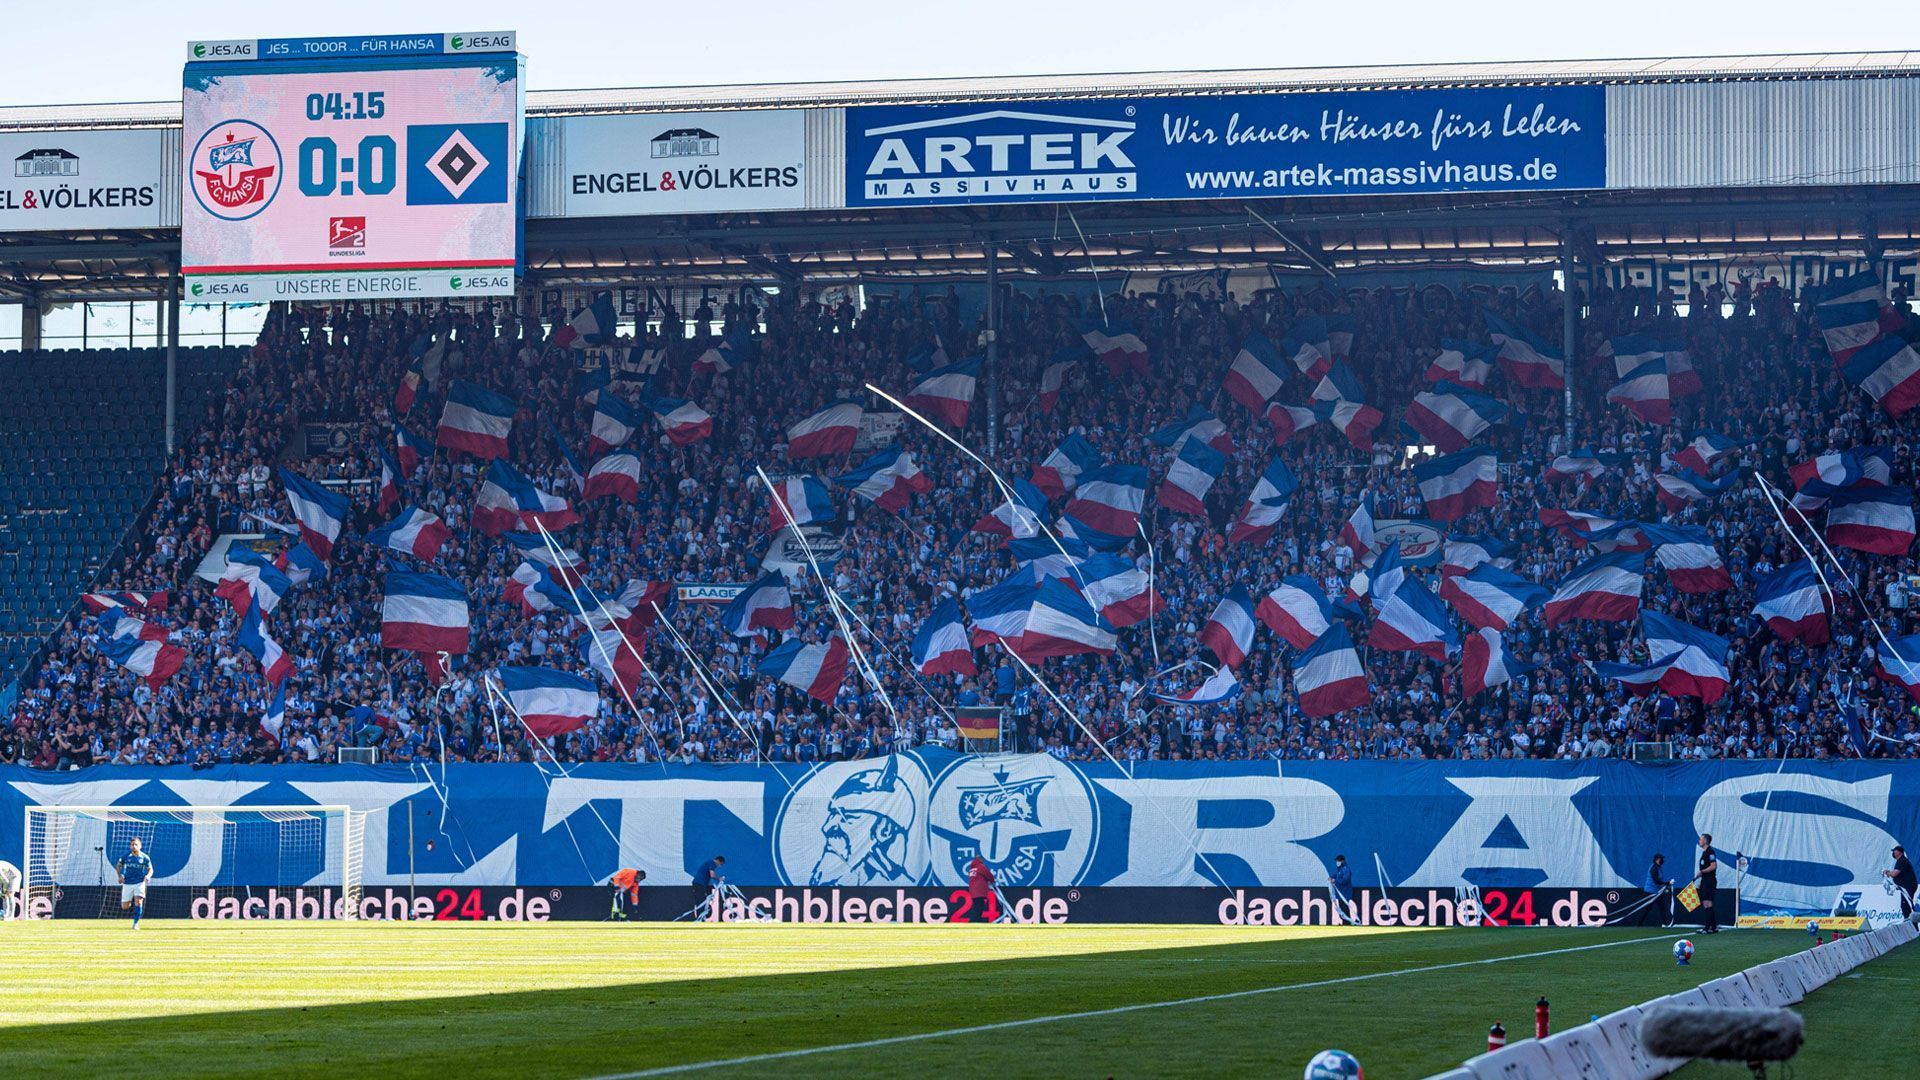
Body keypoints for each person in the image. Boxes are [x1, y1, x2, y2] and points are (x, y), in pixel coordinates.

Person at [118, 836, 152, 929]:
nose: (134, 846)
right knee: (125, 906)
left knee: (139, 901)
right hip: (128, 883)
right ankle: (130, 902)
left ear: (140, 846)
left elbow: (150, 869)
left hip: (139, 882)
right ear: (130, 846)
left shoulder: (145, 857)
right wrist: (120, 876)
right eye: (132, 844)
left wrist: (148, 876)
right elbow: (118, 866)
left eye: (136, 844)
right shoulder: (126, 856)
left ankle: (135, 923)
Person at [1642, 853, 1675, 927]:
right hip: (1650, 891)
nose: (1662, 860)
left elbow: (1659, 880)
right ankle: (1639, 923)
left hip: (1657, 891)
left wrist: (1666, 885)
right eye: (1661, 859)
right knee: (1647, 908)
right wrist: (1668, 883)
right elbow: (1656, 880)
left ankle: (1665, 923)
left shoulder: (1659, 868)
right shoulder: (1653, 868)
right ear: (1656, 859)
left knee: (1662, 907)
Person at [1885, 845, 1917, 920]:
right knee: (1905, 906)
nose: (1893, 853)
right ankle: (1910, 925)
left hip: (1908, 887)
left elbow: (1894, 874)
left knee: (1906, 906)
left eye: (1894, 851)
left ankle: (1912, 926)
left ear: (1899, 852)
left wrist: (1887, 872)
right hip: (1905, 887)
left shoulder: (1902, 861)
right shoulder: (1900, 861)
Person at [1696, 833, 1719, 934]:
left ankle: (1706, 928)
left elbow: (1713, 866)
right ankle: (1713, 927)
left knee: (1707, 903)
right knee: (1706, 903)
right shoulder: (1704, 852)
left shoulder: (1710, 852)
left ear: (1705, 841)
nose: (1699, 841)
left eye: (1701, 839)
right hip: (1705, 880)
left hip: (1710, 881)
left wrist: (1702, 872)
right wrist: (1701, 877)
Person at [693, 855, 725, 922]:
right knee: (700, 901)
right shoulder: (712, 863)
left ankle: (701, 918)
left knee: (702, 901)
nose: (718, 866)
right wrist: (719, 879)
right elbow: (712, 875)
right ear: (718, 861)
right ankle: (700, 919)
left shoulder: (709, 863)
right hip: (699, 884)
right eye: (720, 864)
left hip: (700, 884)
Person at [966, 855, 997, 921]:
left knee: (975, 906)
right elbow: (989, 875)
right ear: (980, 859)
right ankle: (975, 920)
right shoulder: (981, 867)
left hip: (973, 891)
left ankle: (975, 920)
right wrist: (992, 880)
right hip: (980, 891)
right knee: (979, 907)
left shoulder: (971, 869)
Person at [1328, 854, 1356, 924]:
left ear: (1342, 861)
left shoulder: (1346, 869)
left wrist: (1335, 880)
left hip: (1345, 893)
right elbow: (1335, 875)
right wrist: (1331, 877)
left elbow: (1345, 880)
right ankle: (1346, 922)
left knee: (1344, 909)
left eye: (1338, 861)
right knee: (1342, 909)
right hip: (1341, 894)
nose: (1337, 862)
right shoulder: (1339, 869)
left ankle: (1347, 923)